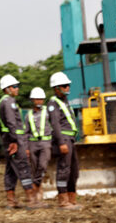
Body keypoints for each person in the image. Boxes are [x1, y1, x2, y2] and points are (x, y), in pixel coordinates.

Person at [0, 74, 40, 209]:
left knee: (11, 170)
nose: (17, 89)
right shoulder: (9, 102)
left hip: (8, 139)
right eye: (14, 86)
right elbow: (11, 122)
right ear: (7, 89)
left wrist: (7, 139)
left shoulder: (0, 103)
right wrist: (14, 141)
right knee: (23, 167)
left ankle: (11, 201)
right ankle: (31, 200)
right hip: (15, 140)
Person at [47, 71, 82, 210]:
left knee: (74, 170)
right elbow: (55, 124)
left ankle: (72, 199)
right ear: (56, 88)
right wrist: (61, 142)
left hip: (70, 140)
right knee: (64, 169)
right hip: (64, 139)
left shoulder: (65, 101)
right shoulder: (52, 103)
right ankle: (63, 201)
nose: (68, 87)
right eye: (64, 85)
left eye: (68, 85)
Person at [26, 87, 52, 204]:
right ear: (33, 100)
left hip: (45, 143)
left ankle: (34, 186)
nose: (39, 101)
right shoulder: (28, 115)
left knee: (42, 165)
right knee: (34, 167)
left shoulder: (48, 112)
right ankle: (38, 194)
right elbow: (25, 132)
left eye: (41, 99)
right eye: (37, 99)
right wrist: (26, 148)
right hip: (32, 144)